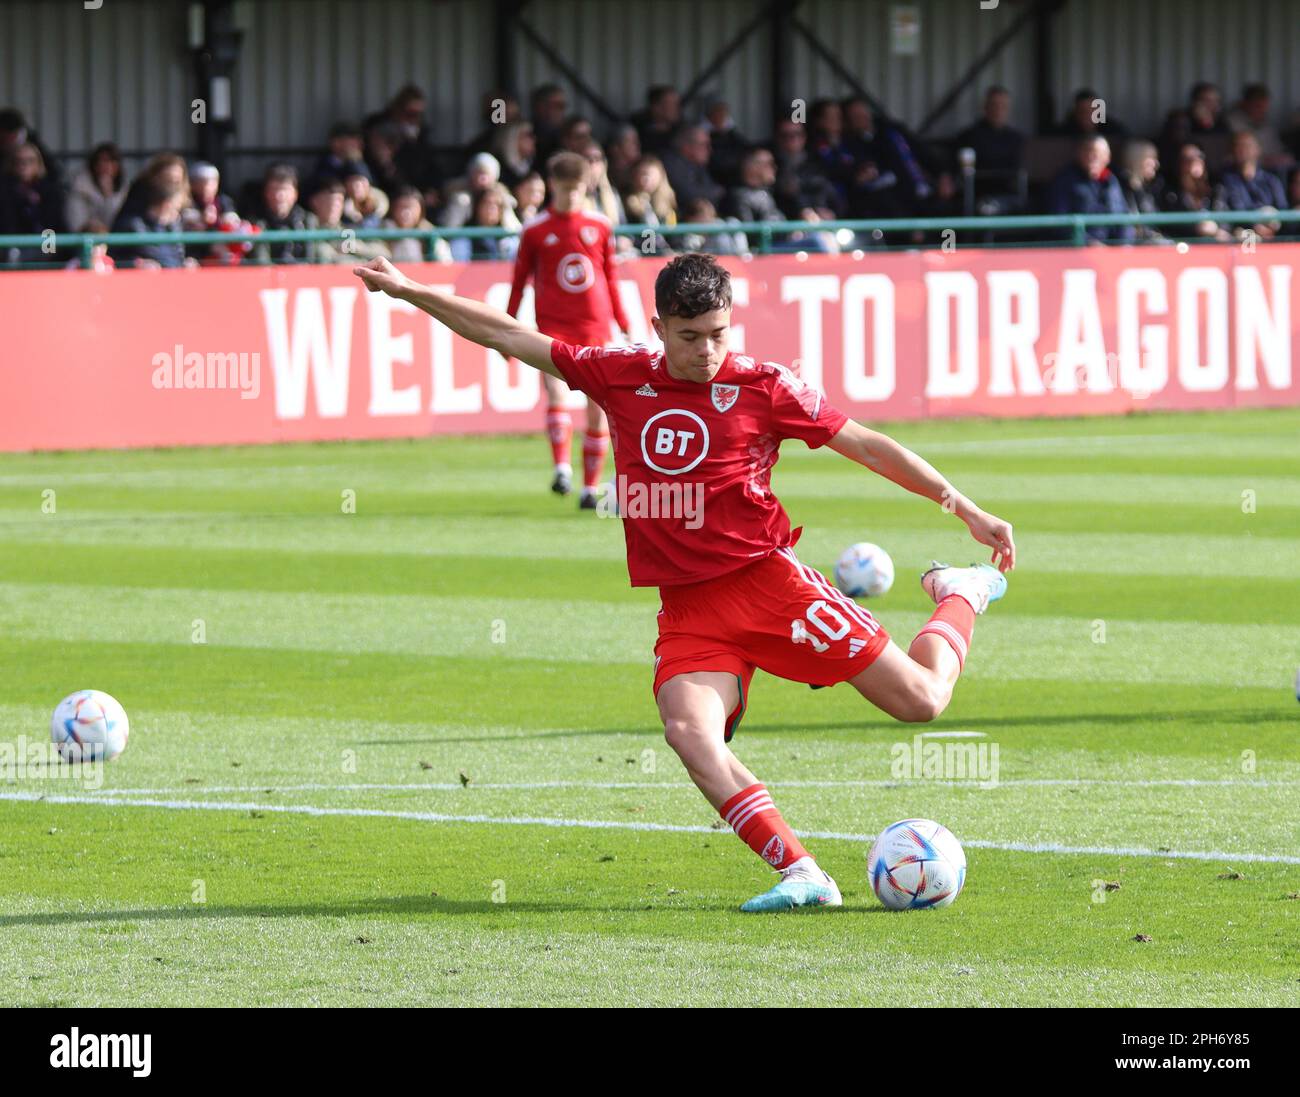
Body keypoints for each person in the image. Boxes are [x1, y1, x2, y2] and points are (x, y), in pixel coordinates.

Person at [352, 251, 1015, 912]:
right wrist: (411, 290)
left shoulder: (764, 386)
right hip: (690, 609)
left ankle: (961, 591)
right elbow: (507, 333)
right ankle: (804, 873)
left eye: (720, 334)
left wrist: (967, 508)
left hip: (769, 584)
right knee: (688, 731)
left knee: (923, 700)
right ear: (660, 326)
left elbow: (866, 443)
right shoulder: (618, 374)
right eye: (690, 336)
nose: (707, 352)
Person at [507, 151, 631, 507]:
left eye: (577, 189)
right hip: (553, 326)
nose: (572, 196)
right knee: (557, 394)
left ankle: (589, 489)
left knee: (598, 408)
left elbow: (610, 277)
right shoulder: (535, 230)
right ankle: (562, 468)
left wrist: (622, 322)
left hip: (595, 326)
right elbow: (519, 281)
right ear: (552, 186)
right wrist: (510, 326)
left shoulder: (600, 226)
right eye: (565, 189)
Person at [1047, 135, 1133, 244]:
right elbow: (1060, 223)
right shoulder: (1064, 180)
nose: (1093, 157)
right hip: (1078, 249)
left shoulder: (1111, 180)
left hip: (1113, 250)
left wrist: (1124, 244)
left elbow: (1123, 216)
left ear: (1107, 158)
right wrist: (1089, 243)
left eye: (1099, 154)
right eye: (1088, 152)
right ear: (1079, 154)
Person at [64, 142, 128, 232]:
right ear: (94, 165)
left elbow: (122, 222)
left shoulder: (124, 190)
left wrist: (108, 196)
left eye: (111, 161)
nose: (106, 166)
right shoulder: (79, 188)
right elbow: (76, 223)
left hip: (116, 241)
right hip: (85, 241)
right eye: (102, 161)